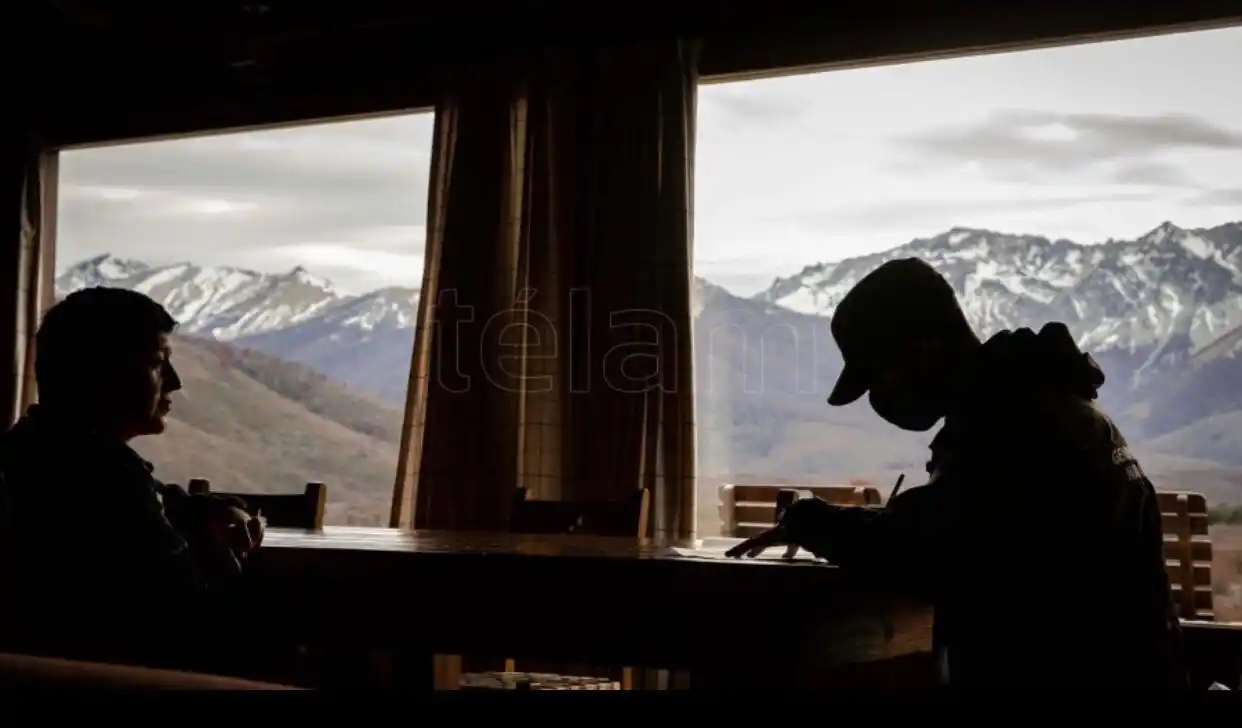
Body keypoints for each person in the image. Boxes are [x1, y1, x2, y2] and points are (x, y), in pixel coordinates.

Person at [727, 258, 1186, 689]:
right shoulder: (1055, 407)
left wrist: (808, 519)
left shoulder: (1009, 426)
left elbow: (917, 547)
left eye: (881, 376)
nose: (880, 397)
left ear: (925, 348)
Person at [0, 287, 264, 672]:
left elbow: (164, 498)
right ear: (103, 374)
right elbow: (190, 611)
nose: (174, 381)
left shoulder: (30, 447)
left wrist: (216, 509)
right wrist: (228, 556)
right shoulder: (106, 479)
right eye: (158, 363)